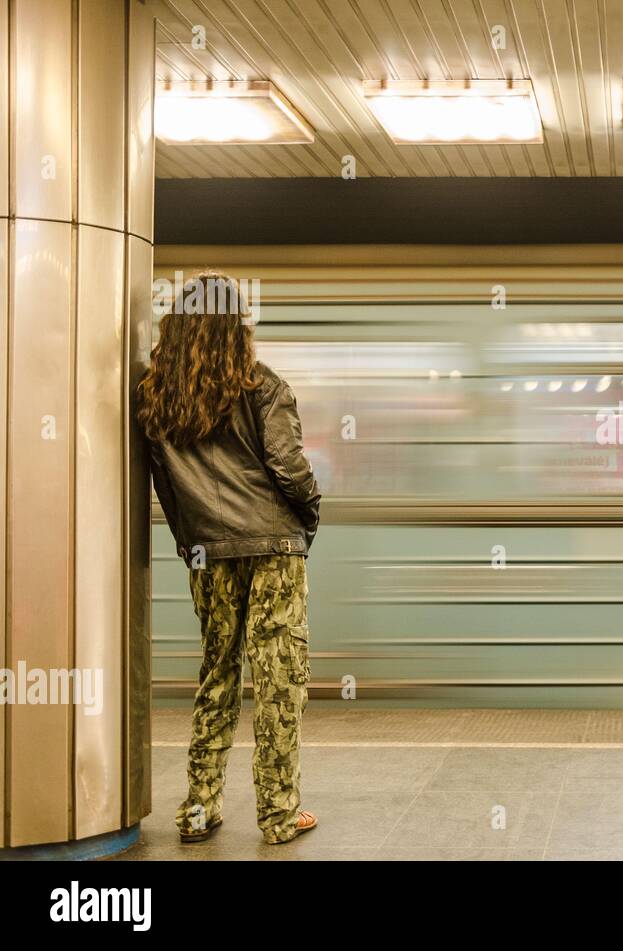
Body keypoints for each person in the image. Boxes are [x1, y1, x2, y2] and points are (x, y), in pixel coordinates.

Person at [136, 270, 322, 845]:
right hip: (272, 550)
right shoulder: (264, 386)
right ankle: (278, 814)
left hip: (205, 553)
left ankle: (199, 807)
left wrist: (191, 542)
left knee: (217, 672)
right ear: (236, 326)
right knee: (278, 682)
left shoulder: (155, 397)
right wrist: (306, 517)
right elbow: (291, 471)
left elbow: (163, 486)